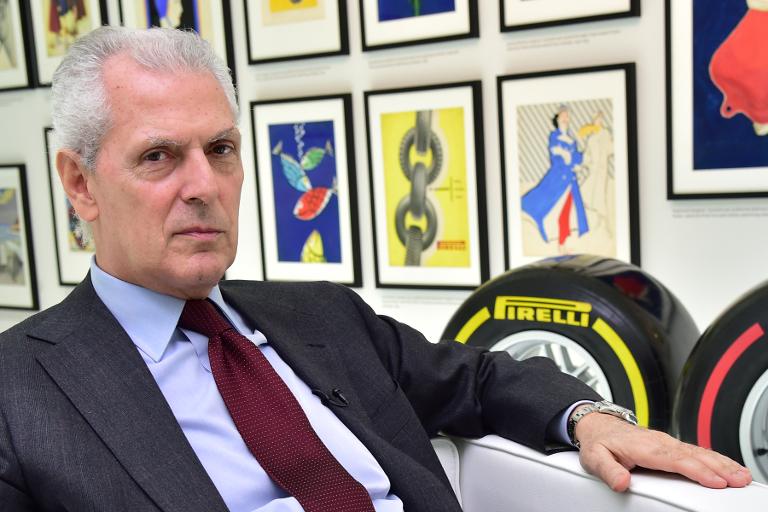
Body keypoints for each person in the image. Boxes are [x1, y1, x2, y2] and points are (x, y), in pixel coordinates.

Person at [0, 27, 751, 511]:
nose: (204, 185)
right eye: (159, 156)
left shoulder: (322, 315)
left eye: (221, 150)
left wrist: (589, 418)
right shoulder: (19, 392)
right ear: (80, 184)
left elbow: (477, 377)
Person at [522, 104, 589, 248]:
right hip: (557, 177)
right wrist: (565, 155)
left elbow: (575, 157)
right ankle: (559, 242)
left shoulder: (572, 140)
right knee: (552, 207)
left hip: (570, 179)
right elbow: (555, 153)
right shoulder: (554, 136)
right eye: (562, 115)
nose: (565, 118)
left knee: (568, 211)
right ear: (557, 119)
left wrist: (579, 160)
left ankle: (563, 243)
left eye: (567, 116)